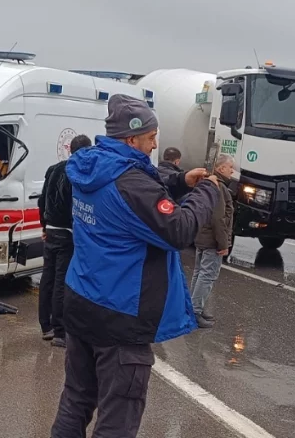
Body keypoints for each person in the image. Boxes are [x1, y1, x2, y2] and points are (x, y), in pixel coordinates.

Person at [51, 94, 219, 437]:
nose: (155, 144)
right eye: (150, 138)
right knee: (119, 416)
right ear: (131, 139)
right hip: (120, 316)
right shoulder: (131, 185)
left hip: (81, 301)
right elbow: (178, 231)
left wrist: (178, 181)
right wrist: (207, 192)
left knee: (76, 399)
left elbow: (135, 184)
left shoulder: (90, 165)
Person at [38, 134, 92, 348]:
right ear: (87, 151)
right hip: (67, 233)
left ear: (70, 150)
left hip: (51, 230)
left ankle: (46, 326)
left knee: (47, 279)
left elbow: (42, 200)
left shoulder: (53, 169)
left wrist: (44, 224)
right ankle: (60, 331)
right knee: (62, 281)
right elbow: (74, 204)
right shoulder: (77, 172)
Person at [190, 154, 235, 328]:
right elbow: (219, 218)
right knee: (207, 275)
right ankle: (195, 311)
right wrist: (223, 244)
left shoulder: (206, 183)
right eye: (230, 167)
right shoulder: (220, 187)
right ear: (221, 168)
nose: (232, 170)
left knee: (199, 273)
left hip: (202, 235)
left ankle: (193, 308)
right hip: (212, 240)